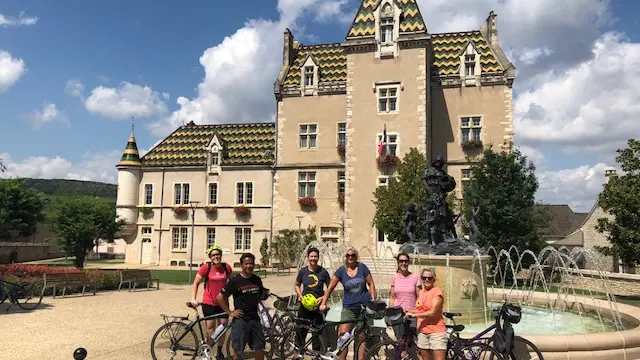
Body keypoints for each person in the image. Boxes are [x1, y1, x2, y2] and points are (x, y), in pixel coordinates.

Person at [321, 247, 376, 360]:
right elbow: (330, 287)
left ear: (356, 257)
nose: (350, 257)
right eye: (348, 255)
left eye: (353, 255)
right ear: (346, 257)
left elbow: (371, 284)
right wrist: (324, 302)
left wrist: (373, 300)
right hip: (349, 309)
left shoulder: (362, 268)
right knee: (342, 339)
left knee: (361, 337)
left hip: (363, 308)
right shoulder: (341, 271)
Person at [217, 253, 268, 360]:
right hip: (240, 319)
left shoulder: (257, 279)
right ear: (241, 265)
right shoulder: (235, 281)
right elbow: (220, 297)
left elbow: (260, 294)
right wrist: (230, 312)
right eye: (246, 264)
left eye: (251, 264)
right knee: (238, 349)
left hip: (254, 318)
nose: (249, 266)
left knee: (259, 347)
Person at [190, 245, 233, 360]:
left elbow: (231, 283)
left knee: (223, 328)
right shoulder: (206, 268)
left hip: (223, 303)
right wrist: (193, 298)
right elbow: (196, 283)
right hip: (209, 302)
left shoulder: (227, 267)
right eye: (213, 255)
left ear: (221, 255)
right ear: (210, 257)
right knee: (210, 329)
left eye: (217, 254)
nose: (216, 257)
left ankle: (219, 351)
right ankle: (208, 351)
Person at [293, 247, 331, 353]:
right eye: (311, 256)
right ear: (308, 257)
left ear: (318, 258)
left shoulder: (323, 272)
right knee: (300, 331)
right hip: (304, 306)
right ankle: (299, 353)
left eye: (315, 256)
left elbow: (330, 288)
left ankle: (316, 354)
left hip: (317, 307)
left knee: (317, 333)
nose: (313, 258)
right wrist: (299, 295)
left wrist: (323, 298)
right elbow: (296, 284)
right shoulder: (303, 271)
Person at [406, 268, 447, 360]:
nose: (427, 280)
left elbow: (432, 312)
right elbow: (421, 311)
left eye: (429, 278)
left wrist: (415, 315)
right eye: (424, 278)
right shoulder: (421, 293)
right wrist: (409, 311)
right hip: (423, 331)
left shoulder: (437, 292)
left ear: (434, 279)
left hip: (436, 332)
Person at [389, 252, 420, 332]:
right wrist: (390, 313)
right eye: (401, 261)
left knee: (412, 340)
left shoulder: (415, 277)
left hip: (411, 314)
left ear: (408, 262)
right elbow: (392, 297)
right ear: (398, 263)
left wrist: (418, 313)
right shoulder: (394, 277)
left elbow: (419, 298)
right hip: (397, 315)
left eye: (406, 261)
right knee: (399, 342)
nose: (403, 263)